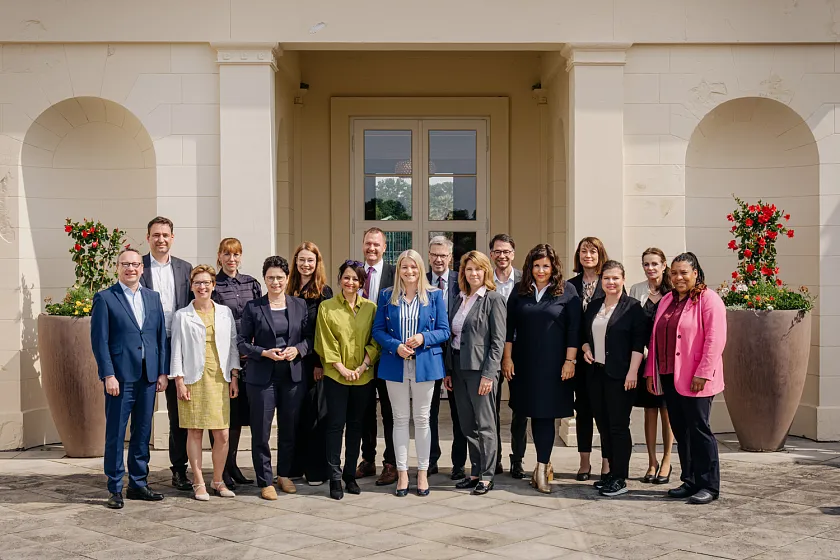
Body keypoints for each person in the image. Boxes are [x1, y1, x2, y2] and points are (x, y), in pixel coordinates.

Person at [645, 252, 726, 505]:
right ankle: (690, 480)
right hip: (669, 375)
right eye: (674, 273)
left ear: (695, 273)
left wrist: (703, 372)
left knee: (699, 430)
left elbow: (715, 339)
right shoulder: (668, 299)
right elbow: (654, 338)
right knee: (681, 431)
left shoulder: (708, 299)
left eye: (684, 273)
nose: (678, 277)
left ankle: (709, 485)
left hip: (696, 378)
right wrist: (651, 371)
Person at [91, 248, 168, 509]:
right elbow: (99, 342)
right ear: (117, 267)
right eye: (125, 264)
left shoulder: (153, 298)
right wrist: (108, 374)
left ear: (142, 268)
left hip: (148, 376)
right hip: (120, 378)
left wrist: (161, 372)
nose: (131, 269)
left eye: (135, 264)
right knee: (116, 432)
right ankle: (115, 487)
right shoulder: (105, 298)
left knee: (142, 431)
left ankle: (138, 483)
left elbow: (159, 339)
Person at [502, 244, 579, 494]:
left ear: (553, 266)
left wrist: (570, 361)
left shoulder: (567, 291)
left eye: (546, 265)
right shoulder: (520, 291)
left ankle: (541, 467)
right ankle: (541, 464)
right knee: (533, 414)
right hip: (524, 366)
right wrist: (508, 359)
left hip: (555, 366)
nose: (541, 270)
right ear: (529, 267)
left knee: (546, 416)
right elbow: (509, 329)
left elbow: (573, 330)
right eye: (536, 265)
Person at [372, 249, 450, 497]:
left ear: (420, 268)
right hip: (395, 364)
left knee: (423, 419)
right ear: (399, 271)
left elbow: (444, 331)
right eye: (404, 267)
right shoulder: (386, 296)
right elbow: (378, 331)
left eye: (413, 267)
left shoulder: (435, 296)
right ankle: (403, 473)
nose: (409, 271)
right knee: (399, 419)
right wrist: (396, 346)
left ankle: (424, 473)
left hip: (425, 364)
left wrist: (422, 337)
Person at [237, 256, 314, 500]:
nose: (275, 282)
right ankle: (265, 479)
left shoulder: (299, 305)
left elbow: (310, 338)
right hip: (262, 376)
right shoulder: (253, 307)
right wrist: (263, 352)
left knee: (289, 429)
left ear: (287, 278)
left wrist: (298, 350)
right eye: (270, 277)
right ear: (264, 279)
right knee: (261, 430)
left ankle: (285, 474)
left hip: (292, 375)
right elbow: (240, 342)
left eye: (280, 277)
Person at [169, 265, 241, 501]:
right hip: (193, 379)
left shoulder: (224, 312)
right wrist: (179, 381)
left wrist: (234, 376)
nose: (202, 287)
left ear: (213, 285)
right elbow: (176, 348)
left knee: (222, 434)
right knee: (195, 431)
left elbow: (232, 345)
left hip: (220, 378)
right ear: (191, 287)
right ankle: (198, 482)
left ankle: (218, 480)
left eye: (206, 282)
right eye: (198, 283)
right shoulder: (182, 315)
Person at [581, 261, 647, 497]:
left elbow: (638, 344)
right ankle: (609, 474)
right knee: (604, 425)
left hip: (621, 376)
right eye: (607, 278)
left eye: (615, 278)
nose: (611, 282)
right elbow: (585, 333)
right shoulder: (594, 306)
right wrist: (586, 347)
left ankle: (620, 477)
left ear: (623, 279)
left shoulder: (633, 308)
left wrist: (632, 372)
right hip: (596, 374)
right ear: (601, 281)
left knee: (618, 427)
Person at [315, 260, 380, 500]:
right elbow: (325, 341)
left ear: (362, 283)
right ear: (340, 279)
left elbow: (375, 340)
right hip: (336, 377)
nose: (350, 282)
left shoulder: (371, 308)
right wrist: (342, 368)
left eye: (355, 279)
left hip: (363, 377)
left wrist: (363, 365)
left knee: (356, 426)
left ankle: (350, 474)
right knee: (335, 426)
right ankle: (334, 477)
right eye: (346, 277)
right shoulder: (327, 307)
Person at [139, 216, 194, 492]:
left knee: (178, 414)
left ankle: (179, 469)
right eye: (156, 234)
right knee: (142, 410)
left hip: (177, 345)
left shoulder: (185, 269)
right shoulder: (139, 266)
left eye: (165, 235)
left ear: (173, 237)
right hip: (146, 346)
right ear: (148, 238)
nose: (161, 239)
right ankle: (139, 473)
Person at [446, 251, 506, 495]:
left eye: (478, 269)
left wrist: (488, 375)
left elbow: (498, 342)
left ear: (486, 271)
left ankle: (487, 476)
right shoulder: (460, 298)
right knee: (467, 425)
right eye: (468, 269)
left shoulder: (493, 299)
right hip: (459, 369)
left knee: (485, 425)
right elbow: (453, 338)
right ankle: (475, 471)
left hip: (480, 370)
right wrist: (449, 370)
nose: (473, 274)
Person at [211, 238, 262, 489]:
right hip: (225, 356)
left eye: (236, 255)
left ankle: (232, 464)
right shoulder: (214, 284)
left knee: (241, 415)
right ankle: (224, 467)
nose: (232, 259)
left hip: (249, 358)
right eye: (227, 255)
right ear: (219, 256)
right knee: (226, 416)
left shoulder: (251, 283)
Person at [287, 241, 334, 486]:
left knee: (315, 416)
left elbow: (324, 331)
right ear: (295, 262)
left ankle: (316, 471)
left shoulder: (324, 292)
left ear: (317, 264)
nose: (306, 264)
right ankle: (293, 468)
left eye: (310, 261)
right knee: (293, 416)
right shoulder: (287, 288)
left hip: (314, 363)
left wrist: (319, 363)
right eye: (302, 260)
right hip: (291, 361)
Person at [628, 248, 674, 485]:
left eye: (655, 264)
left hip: (666, 361)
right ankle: (651, 461)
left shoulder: (673, 291)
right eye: (646, 264)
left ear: (664, 265)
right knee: (649, 411)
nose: (650, 268)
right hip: (645, 360)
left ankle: (667, 459)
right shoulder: (637, 290)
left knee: (667, 411)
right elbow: (634, 324)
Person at [357, 228, 398, 486]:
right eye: (368, 244)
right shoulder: (355, 274)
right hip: (359, 355)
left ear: (384, 247)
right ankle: (368, 459)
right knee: (364, 411)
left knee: (390, 411)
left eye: (376, 244)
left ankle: (391, 463)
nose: (372, 248)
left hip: (387, 354)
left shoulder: (395, 274)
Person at [568, 236, 609, 482]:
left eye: (593, 251)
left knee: (604, 412)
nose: (588, 255)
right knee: (583, 412)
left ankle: (606, 463)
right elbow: (571, 323)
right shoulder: (571, 285)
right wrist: (581, 347)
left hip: (603, 358)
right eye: (584, 251)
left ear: (600, 254)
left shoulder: (609, 281)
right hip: (580, 359)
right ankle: (584, 462)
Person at [427, 236, 467, 480]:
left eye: (443, 255)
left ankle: (459, 463)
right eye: (434, 254)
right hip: (428, 354)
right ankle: (430, 460)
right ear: (429, 255)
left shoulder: (460, 282)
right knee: (427, 412)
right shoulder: (421, 281)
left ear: (451, 257)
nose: (438, 259)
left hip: (456, 355)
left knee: (458, 412)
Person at [490, 233, 526, 478]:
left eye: (507, 252)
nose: (502, 256)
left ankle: (518, 459)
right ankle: (495, 458)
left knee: (520, 409)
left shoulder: (525, 280)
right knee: (490, 408)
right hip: (490, 352)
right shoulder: (483, 279)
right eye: (497, 251)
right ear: (491, 254)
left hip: (520, 352)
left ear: (513, 254)